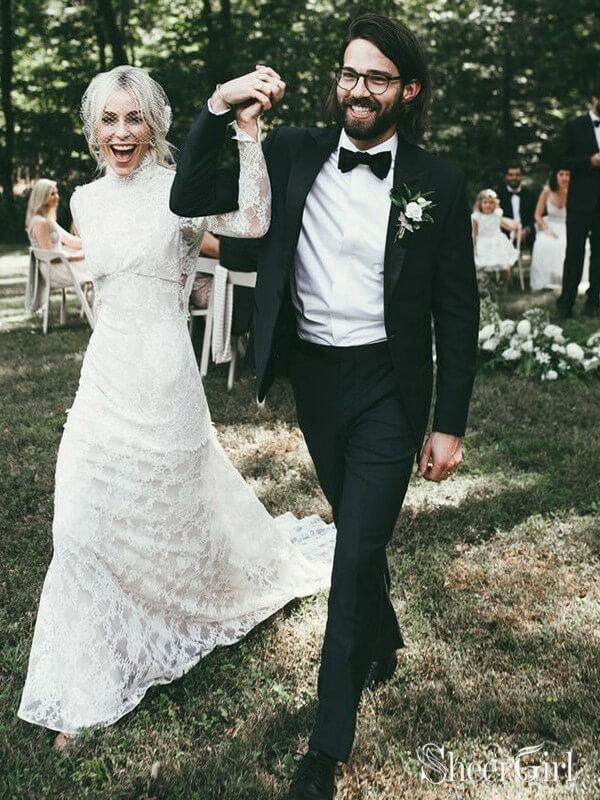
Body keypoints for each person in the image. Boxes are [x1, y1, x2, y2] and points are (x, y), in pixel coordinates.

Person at [170, 14, 480, 800]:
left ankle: (325, 748)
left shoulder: (438, 183)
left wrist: (448, 422)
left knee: (349, 552)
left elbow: (458, 310)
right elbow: (192, 195)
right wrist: (217, 106)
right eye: (349, 74)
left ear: (407, 91)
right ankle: (382, 642)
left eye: (377, 78)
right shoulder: (291, 151)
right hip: (316, 380)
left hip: (388, 389)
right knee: (358, 529)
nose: (358, 90)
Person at [18, 65, 336, 751]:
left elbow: (253, 222)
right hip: (105, 378)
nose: (122, 133)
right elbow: (103, 290)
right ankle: (87, 689)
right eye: (109, 120)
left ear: (155, 126)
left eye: (134, 119)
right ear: (93, 130)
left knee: (172, 519)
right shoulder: (84, 199)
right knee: (77, 527)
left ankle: (184, 601)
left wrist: (248, 132)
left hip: (166, 378)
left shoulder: (180, 190)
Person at [555, 93, 600, 318]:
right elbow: (561, 159)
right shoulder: (575, 126)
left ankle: (594, 302)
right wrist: (588, 162)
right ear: (594, 99)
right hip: (580, 201)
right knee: (574, 253)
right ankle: (566, 303)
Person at [25, 178, 92, 312]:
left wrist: (92, 243)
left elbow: (71, 241)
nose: (57, 196)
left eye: (56, 192)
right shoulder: (40, 223)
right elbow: (52, 255)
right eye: (52, 194)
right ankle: (98, 315)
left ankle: (96, 313)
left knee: (99, 266)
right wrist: (79, 256)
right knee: (101, 270)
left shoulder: (47, 220)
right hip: (54, 270)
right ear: (42, 197)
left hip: (61, 266)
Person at [530, 169, 590, 292]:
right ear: (555, 176)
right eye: (561, 174)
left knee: (575, 245)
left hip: (568, 225)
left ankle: (571, 280)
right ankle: (549, 279)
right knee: (544, 244)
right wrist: (546, 229)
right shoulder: (547, 191)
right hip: (550, 225)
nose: (564, 178)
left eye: (568, 174)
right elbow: (537, 215)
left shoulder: (576, 191)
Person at [471, 189, 519, 280]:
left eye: (490, 203)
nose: (488, 205)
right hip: (483, 241)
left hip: (498, 241)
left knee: (503, 262)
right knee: (483, 264)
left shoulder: (497, 214)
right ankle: (487, 283)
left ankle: (504, 283)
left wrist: (514, 228)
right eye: (485, 202)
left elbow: (503, 224)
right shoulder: (476, 216)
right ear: (480, 204)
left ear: (495, 204)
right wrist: (474, 247)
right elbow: (474, 234)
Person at [497, 162, 537, 248]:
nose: (514, 177)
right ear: (506, 177)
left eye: (517, 175)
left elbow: (535, 217)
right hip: (504, 240)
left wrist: (526, 231)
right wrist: (512, 232)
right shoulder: (498, 196)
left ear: (522, 176)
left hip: (527, 239)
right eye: (511, 175)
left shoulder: (530, 196)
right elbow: (496, 218)